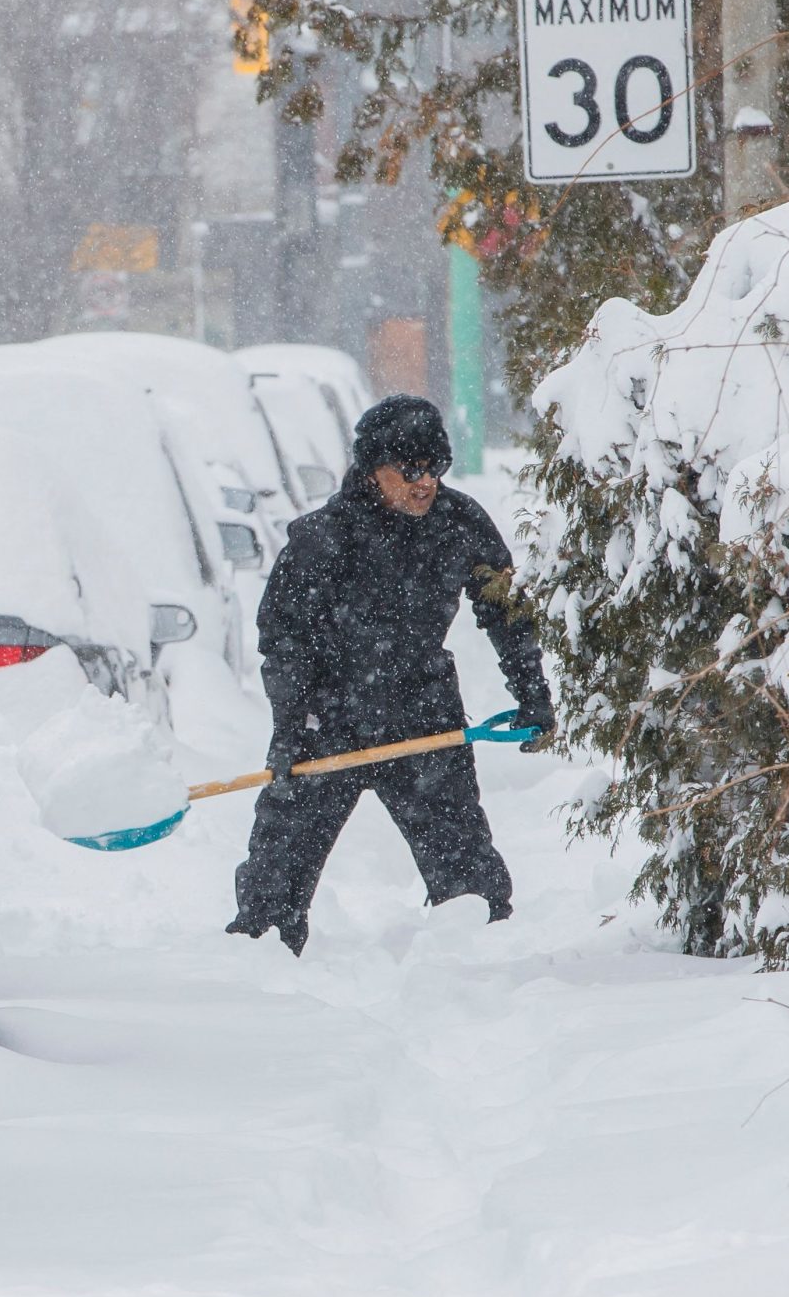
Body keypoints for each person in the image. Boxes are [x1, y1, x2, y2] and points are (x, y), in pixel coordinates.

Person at [227, 394, 554, 954]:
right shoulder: (322, 538)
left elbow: (506, 611)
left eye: (435, 468)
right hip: (327, 720)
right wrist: (289, 729)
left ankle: (482, 984)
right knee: (273, 884)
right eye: (409, 470)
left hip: (423, 717)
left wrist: (532, 694)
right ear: (374, 469)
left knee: (470, 885)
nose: (424, 482)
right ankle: (260, 985)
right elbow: (282, 641)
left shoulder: (459, 523)